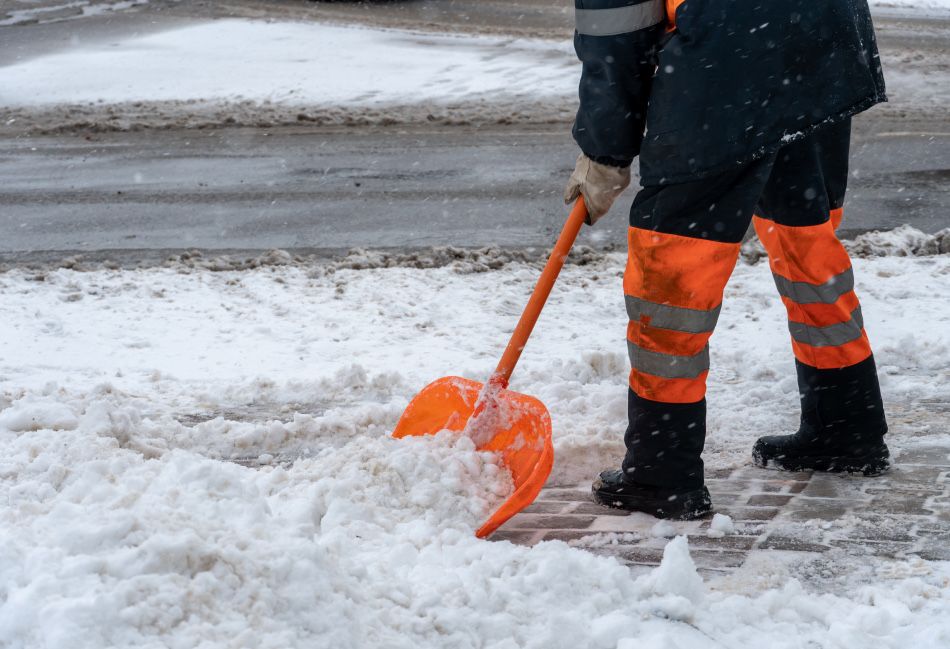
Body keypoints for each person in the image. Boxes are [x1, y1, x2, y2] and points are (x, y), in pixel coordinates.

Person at [564, 0, 890, 519]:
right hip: (824, 33)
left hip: (734, 46)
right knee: (804, 234)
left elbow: (616, 34)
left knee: (674, 261)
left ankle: (661, 472)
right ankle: (846, 426)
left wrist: (604, 151)